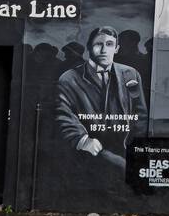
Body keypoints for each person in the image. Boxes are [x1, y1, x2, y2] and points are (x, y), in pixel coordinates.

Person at [55, 26, 148, 173]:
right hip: (86, 153)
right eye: (99, 44)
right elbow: (63, 113)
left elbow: (140, 113)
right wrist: (82, 140)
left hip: (124, 150)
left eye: (109, 44)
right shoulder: (69, 78)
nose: (104, 50)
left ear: (116, 49)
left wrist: (136, 146)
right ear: (89, 47)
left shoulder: (130, 74)